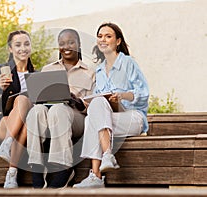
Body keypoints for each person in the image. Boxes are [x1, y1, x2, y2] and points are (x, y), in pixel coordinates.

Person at [73, 22, 149, 188]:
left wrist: (122, 96)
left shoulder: (128, 63)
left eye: (108, 36)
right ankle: (103, 162)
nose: (103, 40)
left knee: (93, 119)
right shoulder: (99, 71)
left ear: (118, 41)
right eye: (100, 36)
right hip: (110, 119)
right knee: (94, 110)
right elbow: (98, 102)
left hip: (133, 117)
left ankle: (97, 174)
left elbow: (143, 94)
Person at [26, 28, 95, 188]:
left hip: (77, 118)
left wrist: (76, 101)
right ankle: (37, 167)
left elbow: (93, 106)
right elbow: (38, 100)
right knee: (36, 111)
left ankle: (63, 169)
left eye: (71, 42)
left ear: (78, 44)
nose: (67, 46)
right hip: (49, 117)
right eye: (62, 43)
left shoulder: (90, 72)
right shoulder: (48, 69)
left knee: (60, 110)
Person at [0, 30, 35, 189]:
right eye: (17, 45)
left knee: (28, 123)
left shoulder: (36, 74)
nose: (23, 48)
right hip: (3, 121)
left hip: (26, 123)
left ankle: (11, 173)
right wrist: (0, 89)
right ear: (10, 49)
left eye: (26, 44)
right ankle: (8, 142)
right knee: (22, 99)